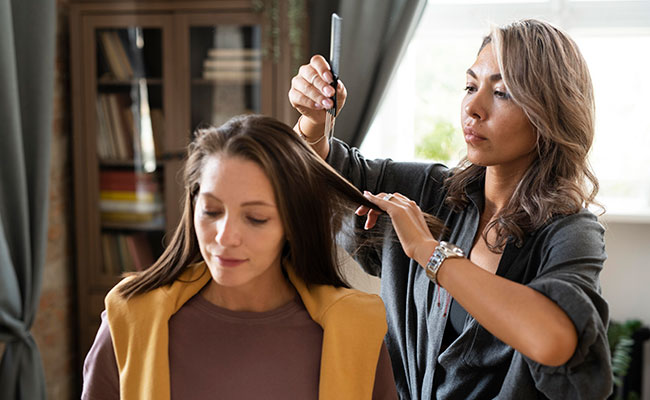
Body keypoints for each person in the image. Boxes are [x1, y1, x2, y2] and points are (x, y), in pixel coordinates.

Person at [288, 18, 612, 399]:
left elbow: (555, 340)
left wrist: (430, 252)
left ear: (550, 112)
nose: (473, 108)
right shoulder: (431, 190)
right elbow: (325, 176)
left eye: (503, 92)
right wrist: (312, 124)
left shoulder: (572, 233)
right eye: (470, 86)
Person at [81, 115, 411, 399]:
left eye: (255, 218)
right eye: (211, 211)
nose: (225, 237)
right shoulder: (131, 317)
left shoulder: (355, 329)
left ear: (292, 222)